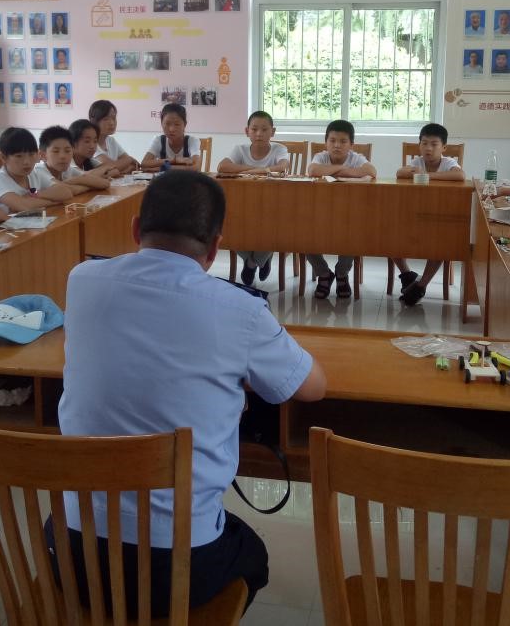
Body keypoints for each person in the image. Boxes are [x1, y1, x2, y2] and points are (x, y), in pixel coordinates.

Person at [56, 170, 326, 616]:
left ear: (136, 229)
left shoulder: (82, 279)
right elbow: (312, 388)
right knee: (252, 555)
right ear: (216, 247)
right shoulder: (240, 310)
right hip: (173, 565)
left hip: (71, 554)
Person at [217, 111, 290, 287]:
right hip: (244, 205)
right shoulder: (240, 149)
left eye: (264, 129)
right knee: (228, 223)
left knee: (278, 226)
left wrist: (246, 170)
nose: (259, 134)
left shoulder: (279, 149)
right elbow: (222, 166)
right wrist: (256, 170)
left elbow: (282, 167)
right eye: (254, 129)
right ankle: (262, 259)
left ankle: (252, 263)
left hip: (273, 206)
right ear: (247, 131)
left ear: (273, 132)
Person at [395, 123, 464, 306]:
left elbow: (460, 176)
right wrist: (415, 172)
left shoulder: (448, 163)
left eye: (434, 144)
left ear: (444, 147)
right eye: (424, 143)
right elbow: (400, 173)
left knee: (442, 242)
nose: (428, 148)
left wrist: (426, 176)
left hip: (440, 217)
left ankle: (421, 285)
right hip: (415, 214)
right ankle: (407, 274)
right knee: (389, 233)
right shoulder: (417, 162)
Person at [307, 119, 375, 299]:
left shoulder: (356, 158)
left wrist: (331, 170)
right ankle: (324, 273)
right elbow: (313, 170)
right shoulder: (321, 156)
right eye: (332, 140)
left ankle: (342, 273)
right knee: (302, 234)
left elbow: (371, 171)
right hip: (320, 212)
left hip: (349, 213)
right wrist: (343, 169)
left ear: (351, 144)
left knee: (354, 232)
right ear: (326, 142)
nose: (337, 145)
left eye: (343, 141)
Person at [0, 128, 72, 213]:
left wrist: (35, 194)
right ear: (4, 158)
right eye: (19, 156)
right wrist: (55, 201)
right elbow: (25, 206)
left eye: (31, 154)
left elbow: (66, 192)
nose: (27, 162)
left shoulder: (34, 173)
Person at [34, 127, 111, 192]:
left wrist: (77, 180)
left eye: (67, 151)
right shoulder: (39, 171)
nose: (63, 156)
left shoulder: (68, 169)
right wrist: (87, 185)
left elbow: (105, 183)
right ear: (43, 155)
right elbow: (63, 191)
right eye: (56, 151)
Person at [141, 104, 202, 171]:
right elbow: (144, 164)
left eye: (177, 124)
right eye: (167, 124)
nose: (172, 129)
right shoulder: (159, 140)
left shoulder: (192, 141)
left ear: (185, 125)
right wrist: (174, 160)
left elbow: (196, 167)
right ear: (161, 124)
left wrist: (162, 168)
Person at [88, 99, 139, 174]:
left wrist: (119, 170)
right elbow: (110, 167)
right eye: (106, 119)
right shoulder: (91, 144)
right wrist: (130, 159)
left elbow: (133, 165)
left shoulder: (111, 140)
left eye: (114, 118)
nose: (111, 123)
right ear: (94, 121)